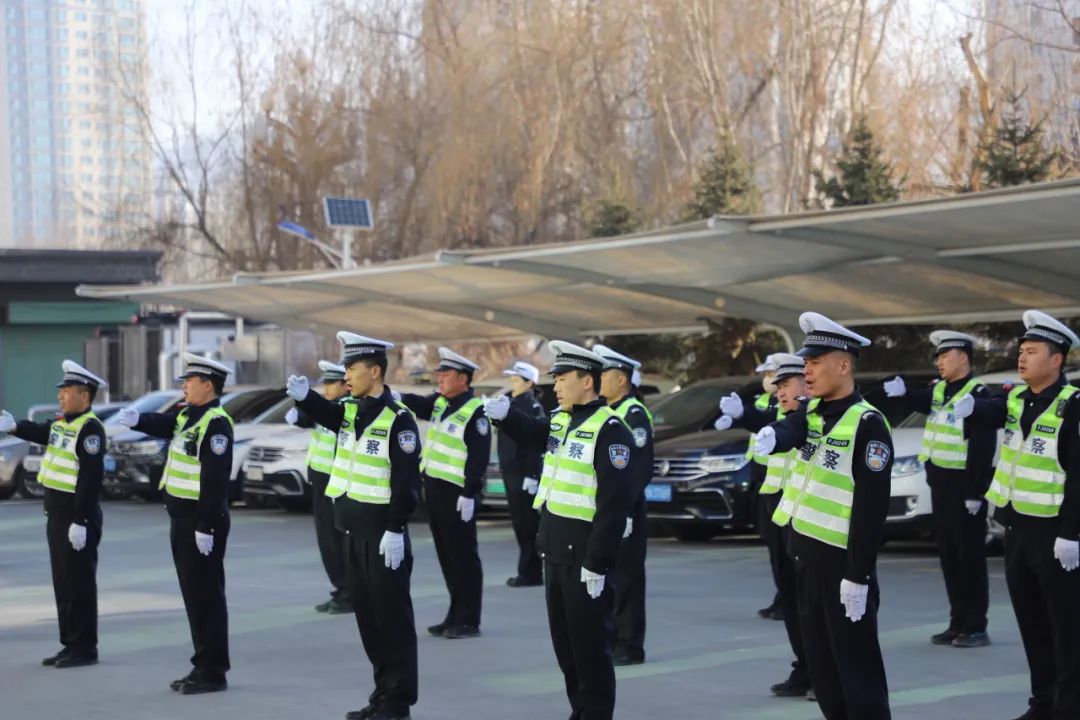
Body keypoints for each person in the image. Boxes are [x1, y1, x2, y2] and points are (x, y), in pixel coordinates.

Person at [751, 313, 892, 720]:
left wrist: (859, 576)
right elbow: (792, 429)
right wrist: (773, 435)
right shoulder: (812, 414)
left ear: (843, 365)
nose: (807, 371)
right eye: (806, 363)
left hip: (842, 568)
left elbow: (871, 509)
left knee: (858, 680)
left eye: (815, 362)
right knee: (826, 678)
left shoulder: (867, 424)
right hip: (806, 562)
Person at [485, 340, 634, 720]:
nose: (556, 386)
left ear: (588, 381)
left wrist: (598, 561)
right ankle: (579, 711)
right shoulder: (561, 420)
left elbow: (614, 505)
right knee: (566, 646)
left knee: (590, 648)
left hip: (585, 556)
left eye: (563, 378)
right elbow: (535, 432)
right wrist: (506, 417)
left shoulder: (610, 430)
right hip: (554, 551)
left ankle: (595, 713)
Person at [287, 332, 421, 720]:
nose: (346, 374)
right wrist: (305, 398)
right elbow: (326, 415)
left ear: (375, 371)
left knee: (392, 622)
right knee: (369, 622)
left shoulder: (398, 419)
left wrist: (396, 528)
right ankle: (382, 696)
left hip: (383, 536)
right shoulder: (349, 410)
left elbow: (406, 482)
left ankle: (398, 704)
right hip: (353, 532)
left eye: (352, 368)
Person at [967, 311, 1080, 720]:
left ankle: (1069, 708)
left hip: (1056, 536)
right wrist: (966, 404)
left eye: (1032, 351)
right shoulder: (1016, 400)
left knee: (1067, 628)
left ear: (1057, 360)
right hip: (1017, 530)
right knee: (1031, 623)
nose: (1022, 358)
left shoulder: (1073, 406)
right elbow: (988, 411)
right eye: (1021, 351)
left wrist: (1072, 532)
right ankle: (1043, 703)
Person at [116, 353, 234, 694]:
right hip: (183, 519)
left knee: (206, 597)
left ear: (207, 386)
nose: (183, 386)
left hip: (200, 522)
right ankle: (202, 663)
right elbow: (164, 424)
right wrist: (138, 419)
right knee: (194, 597)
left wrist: (206, 526)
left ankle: (213, 671)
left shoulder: (216, 423)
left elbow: (214, 481)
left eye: (189, 381)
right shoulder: (188, 416)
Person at [883, 330, 994, 648]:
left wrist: (975, 491)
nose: (940, 362)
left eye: (945, 356)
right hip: (941, 485)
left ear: (964, 358)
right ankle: (957, 622)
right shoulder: (940, 390)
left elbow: (982, 447)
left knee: (970, 558)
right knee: (949, 556)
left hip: (964, 487)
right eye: (939, 357)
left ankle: (976, 626)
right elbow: (921, 400)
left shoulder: (977, 394)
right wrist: (904, 392)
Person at [0, 360, 107, 669]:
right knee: (63, 582)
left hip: (76, 518)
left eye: (66, 391)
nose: (60, 396)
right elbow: (43, 431)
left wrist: (81, 521)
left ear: (84, 395)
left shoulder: (90, 429)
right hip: (58, 516)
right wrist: (16, 426)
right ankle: (69, 643)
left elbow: (89, 479)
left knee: (79, 583)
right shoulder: (64, 424)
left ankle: (85, 647)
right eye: (60, 391)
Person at [720, 353, 813, 697]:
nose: (780, 392)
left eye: (787, 384)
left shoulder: (816, 419)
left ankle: (822, 673)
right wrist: (743, 415)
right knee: (789, 595)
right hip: (778, 509)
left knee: (809, 600)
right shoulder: (784, 415)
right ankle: (804, 668)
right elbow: (766, 423)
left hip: (804, 514)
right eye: (779, 385)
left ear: (807, 383)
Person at [399, 348, 490, 639]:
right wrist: (391, 395)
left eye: (445, 374)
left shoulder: (475, 411)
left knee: (463, 557)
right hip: (436, 491)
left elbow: (478, 457)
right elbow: (417, 404)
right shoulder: (441, 403)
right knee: (447, 557)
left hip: (458, 495)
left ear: (463, 378)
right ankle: (454, 613)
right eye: (439, 374)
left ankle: (469, 620)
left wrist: (470, 492)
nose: (439, 379)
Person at [593, 344, 653, 667]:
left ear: (621, 380)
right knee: (611, 577)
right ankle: (614, 639)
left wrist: (627, 511)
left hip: (628, 510)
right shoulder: (608, 411)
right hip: (610, 508)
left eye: (605, 375)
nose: (599, 380)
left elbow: (639, 469)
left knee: (628, 578)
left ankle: (630, 646)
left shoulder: (633, 413)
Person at [287, 360, 353, 614]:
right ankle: (339, 589)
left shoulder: (345, 410)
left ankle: (349, 594)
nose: (326, 387)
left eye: (331, 383)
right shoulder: (326, 408)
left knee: (339, 542)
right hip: (321, 482)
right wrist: (299, 405)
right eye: (325, 382)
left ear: (345, 385)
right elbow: (306, 418)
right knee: (327, 542)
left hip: (336, 484)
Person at [722, 355, 785, 620]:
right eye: (765, 375)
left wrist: (742, 416)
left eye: (772, 374)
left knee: (785, 549)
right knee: (774, 546)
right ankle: (782, 598)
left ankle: (787, 601)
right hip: (763, 478)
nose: (767, 379)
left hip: (783, 483)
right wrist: (737, 417)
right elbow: (759, 419)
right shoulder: (764, 400)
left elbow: (767, 421)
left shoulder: (790, 404)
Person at [497, 360, 546, 587]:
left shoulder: (532, 407)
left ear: (529, 383)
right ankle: (526, 570)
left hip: (523, 474)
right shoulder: (511, 403)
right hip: (511, 472)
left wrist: (532, 474)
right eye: (512, 379)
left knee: (528, 526)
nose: (513, 383)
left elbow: (535, 443)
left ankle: (531, 572)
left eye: (517, 380)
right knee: (519, 524)